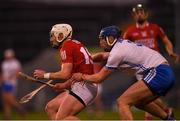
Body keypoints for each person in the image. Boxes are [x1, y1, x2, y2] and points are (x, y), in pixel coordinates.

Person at [70, 25, 175, 120]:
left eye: (102, 39)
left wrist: (82, 76)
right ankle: (169, 119)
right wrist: (86, 59)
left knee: (122, 102)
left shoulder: (117, 53)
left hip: (159, 72)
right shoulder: (121, 45)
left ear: (110, 38)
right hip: (163, 71)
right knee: (139, 102)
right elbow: (102, 56)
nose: (100, 42)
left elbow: (99, 78)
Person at [123, 3, 179, 120]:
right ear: (134, 16)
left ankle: (156, 115)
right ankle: (166, 112)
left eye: (141, 11)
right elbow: (123, 48)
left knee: (145, 96)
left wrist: (170, 52)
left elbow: (166, 40)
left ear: (147, 14)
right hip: (141, 67)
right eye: (137, 12)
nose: (139, 14)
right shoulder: (130, 31)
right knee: (146, 96)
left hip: (155, 65)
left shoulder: (155, 28)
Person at [33, 23, 98, 120]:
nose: (51, 39)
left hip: (84, 87)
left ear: (61, 36)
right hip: (82, 85)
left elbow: (65, 74)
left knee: (62, 118)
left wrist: (45, 75)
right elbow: (76, 73)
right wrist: (64, 85)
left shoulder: (66, 46)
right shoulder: (74, 44)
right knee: (50, 108)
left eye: (53, 36)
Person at [1, 49, 25, 119]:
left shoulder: (15, 63)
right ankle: (7, 115)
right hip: (5, 83)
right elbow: (3, 73)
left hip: (12, 83)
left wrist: (13, 77)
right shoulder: (4, 63)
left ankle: (20, 109)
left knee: (10, 99)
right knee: (5, 100)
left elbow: (19, 72)